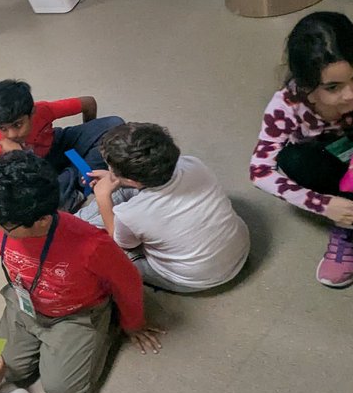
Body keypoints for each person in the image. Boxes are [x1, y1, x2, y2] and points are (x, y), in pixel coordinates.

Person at [0, 151, 164, 393]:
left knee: (66, 392)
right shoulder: (9, 222)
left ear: (42, 221)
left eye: (4, 226)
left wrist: (133, 323)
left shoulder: (91, 245)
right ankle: (45, 343)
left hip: (76, 314)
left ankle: (106, 325)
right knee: (4, 369)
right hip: (23, 307)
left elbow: (128, 280)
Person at [251, 11, 353, 287]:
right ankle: (350, 223)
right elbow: (259, 171)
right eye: (332, 87)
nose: (350, 94)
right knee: (294, 159)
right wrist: (324, 205)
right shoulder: (285, 107)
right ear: (306, 86)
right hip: (330, 160)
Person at [79, 122, 249, 292]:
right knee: (120, 198)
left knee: (104, 248)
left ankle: (79, 220)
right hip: (238, 248)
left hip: (194, 280)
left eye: (111, 167)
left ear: (131, 181)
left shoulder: (132, 214)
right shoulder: (193, 164)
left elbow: (121, 242)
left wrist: (103, 198)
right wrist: (116, 178)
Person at [0, 79, 124, 209]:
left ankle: (78, 176)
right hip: (39, 168)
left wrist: (88, 132)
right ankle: (79, 175)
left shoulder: (43, 110)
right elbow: (30, 182)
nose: (12, 135)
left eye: (17, 124)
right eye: (3, 128)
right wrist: (19, 156)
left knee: (115, 125)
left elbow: (89, 103)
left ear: (32, 112)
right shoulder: (2, 147)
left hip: (58, 143)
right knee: (40, 200)